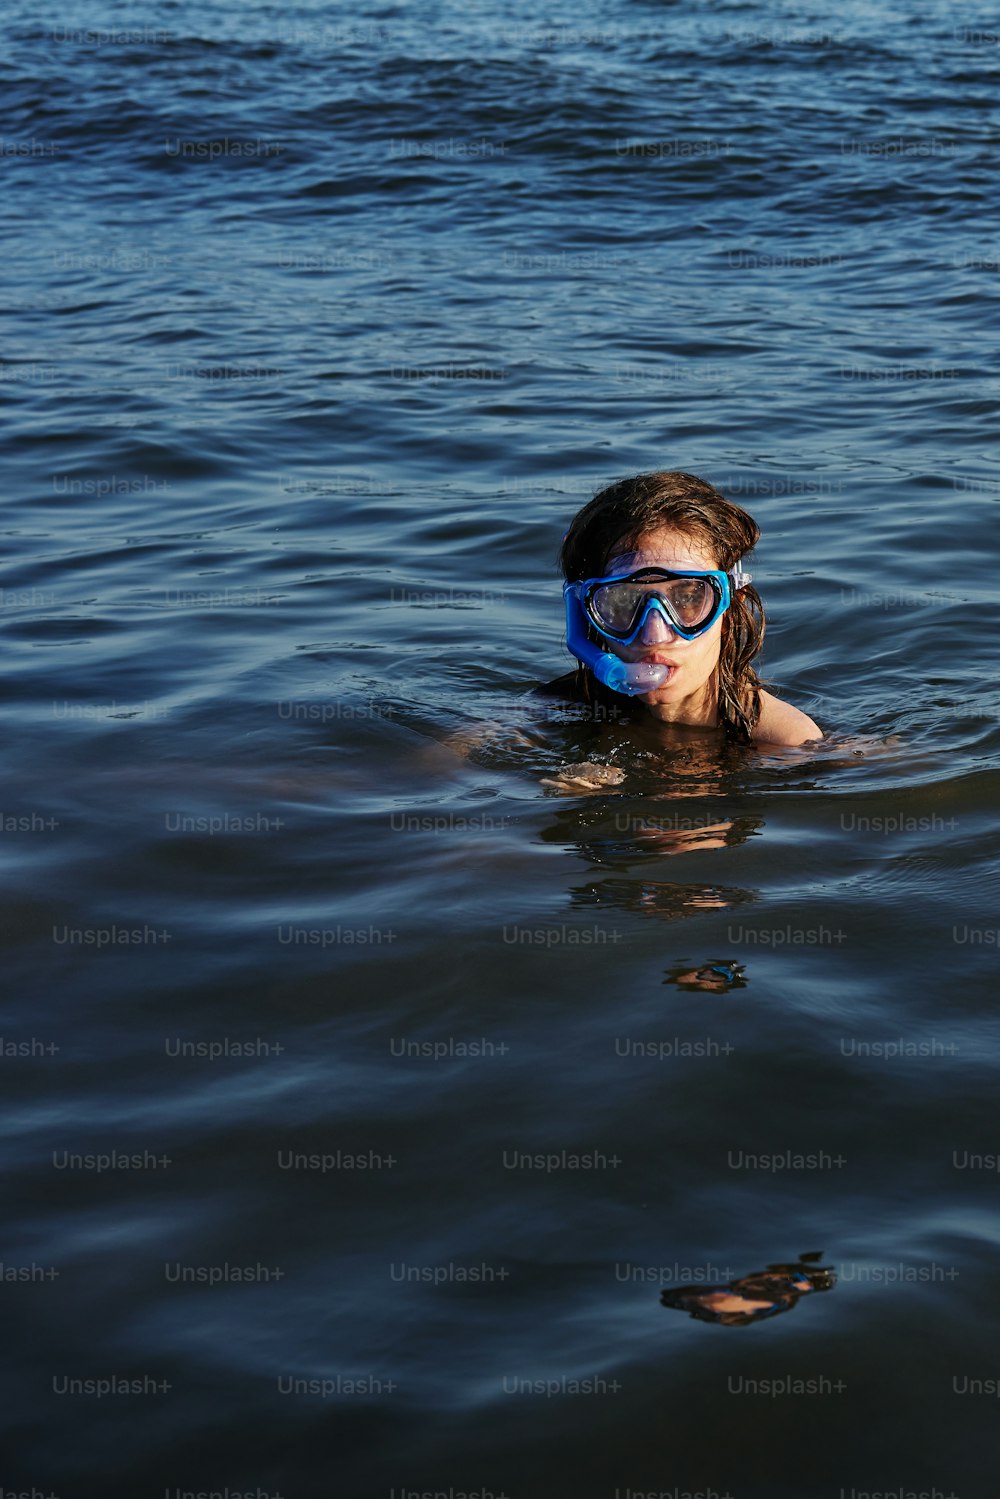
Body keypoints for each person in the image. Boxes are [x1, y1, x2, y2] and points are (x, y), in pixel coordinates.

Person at [545, 471, 822, 747]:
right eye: (624, 602)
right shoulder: (564, 705)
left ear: (730, 608)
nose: (654, 636)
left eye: (688, 599)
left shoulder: (787, 744)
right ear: (586, 617)